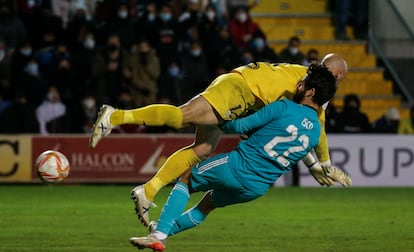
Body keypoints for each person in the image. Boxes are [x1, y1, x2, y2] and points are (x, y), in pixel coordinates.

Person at [89, 53, 351, 227]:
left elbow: (302, 128)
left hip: (243, 91)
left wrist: (317, 165)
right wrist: (323, 164)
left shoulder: (307, 80)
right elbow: (317, 125)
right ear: (336, 76)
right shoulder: (311, 84)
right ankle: (116, 116)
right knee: (184, 115)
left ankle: (147, 190)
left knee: (202, 149)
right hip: (241, 89)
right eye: (340, 78)